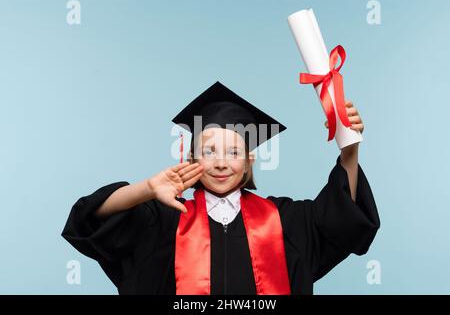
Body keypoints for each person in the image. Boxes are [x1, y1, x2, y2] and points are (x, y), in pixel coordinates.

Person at [61, 81, 380, 295]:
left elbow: (341, 221)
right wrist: (146, 188)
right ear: (191, 157)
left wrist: (348, 149)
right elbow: (92, 218)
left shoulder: (284, 219)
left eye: (233, 152)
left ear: (249, 159)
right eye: (209, 151)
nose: (221, 163)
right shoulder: (167, 218)